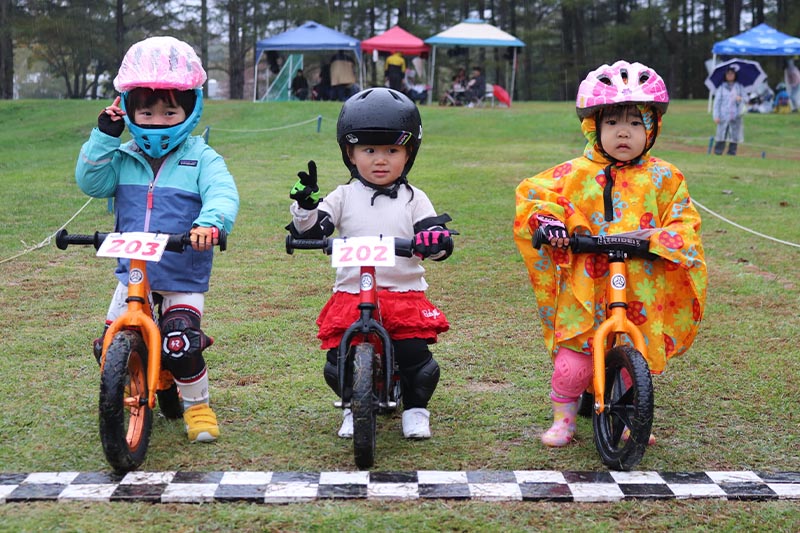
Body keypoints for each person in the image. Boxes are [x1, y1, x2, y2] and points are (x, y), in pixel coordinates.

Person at [513, 60, 707, 448]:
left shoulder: (665, 177)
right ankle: (564, 418)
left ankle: (634, 416)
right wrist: (551, 223)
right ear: (593, 127)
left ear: (652, 128)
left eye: (636, 122)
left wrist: (665, 239)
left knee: (635, 358)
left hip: (639, 283)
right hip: (586, 282)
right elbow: (535, 196)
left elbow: (684, 220)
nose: (623, 131)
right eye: (613, 122)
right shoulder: (575, 172)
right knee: (574, 364)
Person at [75, 36, 239, 443]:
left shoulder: (201, 157)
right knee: (108, 344)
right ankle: (141, 385)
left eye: (169, 111)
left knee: (180, 342)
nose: (158, 120)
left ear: (190, 109)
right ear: (128, 109)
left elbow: (222, 192)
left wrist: (210, 224)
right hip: (133, 274)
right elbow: (92, 183)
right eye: (146, 111)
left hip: (182, 272)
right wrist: (104, 138)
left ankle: (197, 406)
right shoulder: (122, 157)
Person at [287, 88, 455, 440]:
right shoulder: (344, 195)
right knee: (338, 359)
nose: (381, 160)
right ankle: (353, 406)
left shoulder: (414, 198)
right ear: (350, 153)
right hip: (352, 293)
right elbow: (317, 229)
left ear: (409, 153)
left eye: (392, 151)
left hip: (401, 293)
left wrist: (435, 240)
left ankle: (416, 409)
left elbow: (432, 232)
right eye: (369, 150)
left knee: (414, 356)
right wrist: (306, 208)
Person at [712, 66, 746, 155]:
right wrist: (716, 116)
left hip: (736, 116)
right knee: (721, 134)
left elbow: (746, 99)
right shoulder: (721, 88)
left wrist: (740, 99)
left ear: (735, 75)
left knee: (734, 136)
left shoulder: (739, 87)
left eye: (732, 73)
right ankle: (718, 152)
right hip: (723, 116)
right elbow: (717, 103)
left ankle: (731, 152)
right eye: (728, 74)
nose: (730, 75)